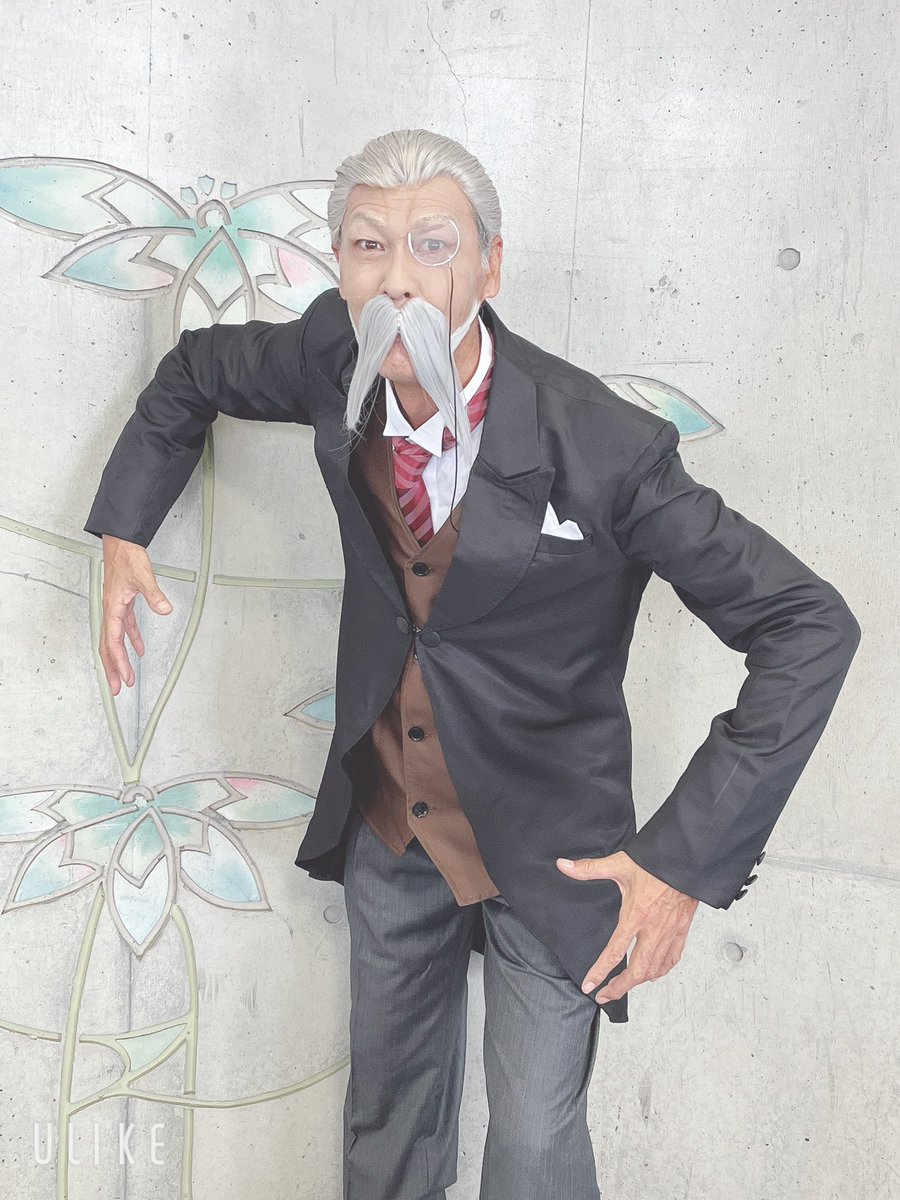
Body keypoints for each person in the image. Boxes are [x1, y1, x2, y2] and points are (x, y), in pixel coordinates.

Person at [84, 128, 861, 1200]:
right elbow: (192, 375)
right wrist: (125, 527)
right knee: (387, 1125)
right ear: (341, 265)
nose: (398, 278)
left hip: (556, 843)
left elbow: (808, 624)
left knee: (534, 1146)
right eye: (369, 245)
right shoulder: (331, 354)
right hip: (393, 818)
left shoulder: (604, 444)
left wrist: (682, 864)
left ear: (490, 268)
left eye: (434, 246)